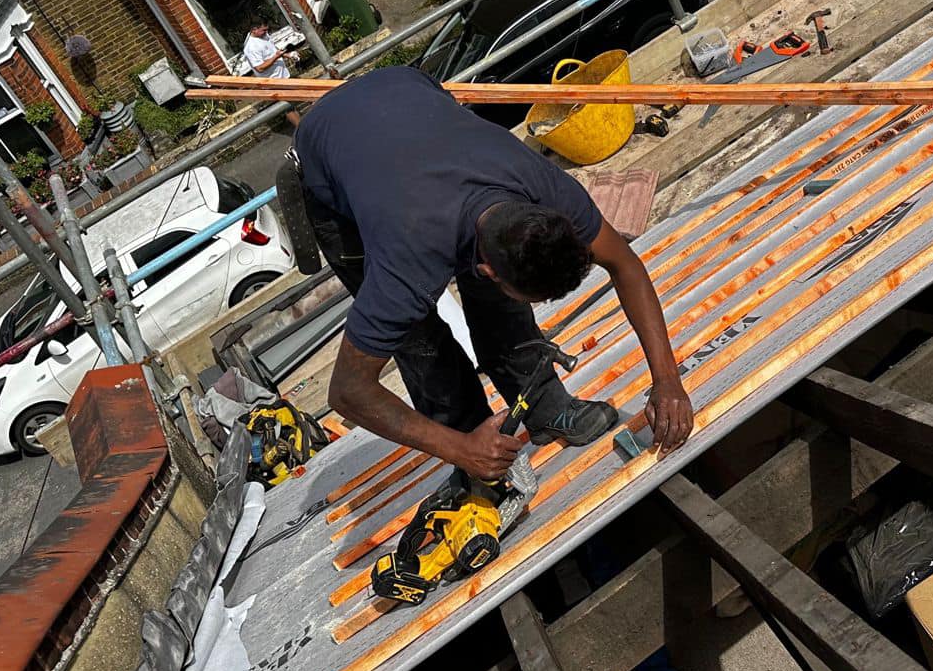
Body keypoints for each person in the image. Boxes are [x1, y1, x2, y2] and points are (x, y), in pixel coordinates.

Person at [282, 66, 693, 483]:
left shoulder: (547, 189)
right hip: (329, 166)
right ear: (484, 269)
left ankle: (544, 408)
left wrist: (667, 379)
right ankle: (471, 443)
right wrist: (458, 449)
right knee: (420, 340)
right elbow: (348, 391)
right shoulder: (406, 262)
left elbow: (625, 264)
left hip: (400, 93)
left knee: (501, 307)